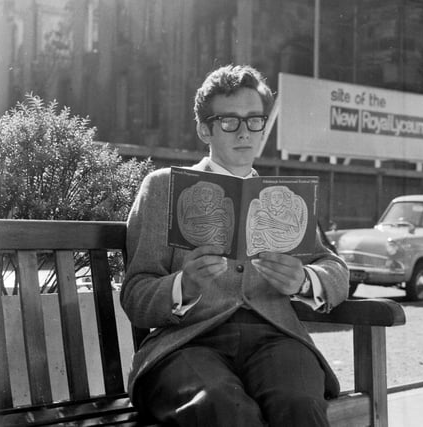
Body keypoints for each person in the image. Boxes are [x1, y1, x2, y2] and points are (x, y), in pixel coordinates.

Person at [120, 64, 349, 427]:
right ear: (204, 128)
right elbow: (136, 294)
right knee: (226, 410)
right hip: (187, 344)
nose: (244, 132)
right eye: (229, 121)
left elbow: (335, 270)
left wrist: (304, 280)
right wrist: (184, 284)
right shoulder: (164, 187)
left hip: (276, 339)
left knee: (298, 403)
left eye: (254, 120)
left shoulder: (283, 198)